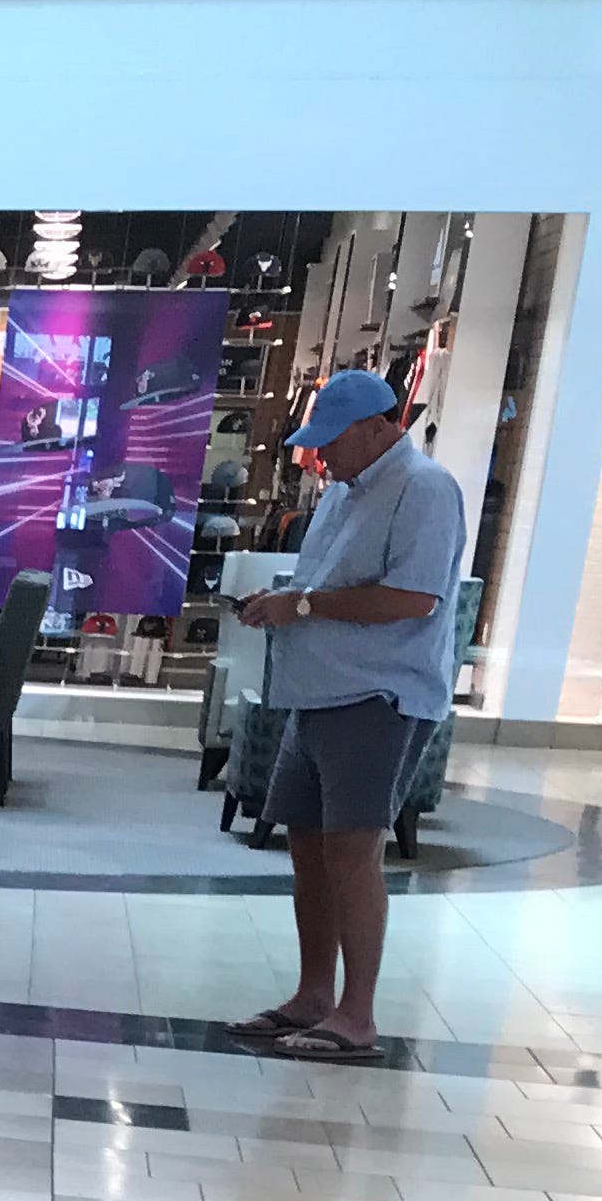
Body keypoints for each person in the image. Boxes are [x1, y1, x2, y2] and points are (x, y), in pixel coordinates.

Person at [229, 369, 464, 1063]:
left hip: (377, 696)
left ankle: (356, 1015)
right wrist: (282, 603)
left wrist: (303, 606)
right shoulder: (342, 491)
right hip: (316, 692)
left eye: (332, 440)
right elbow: (323, 585)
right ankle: (313, 996)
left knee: (353, 855)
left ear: (378, 426)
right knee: (307, 848)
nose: (322, 454)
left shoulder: (424, 488)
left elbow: (414, 597)